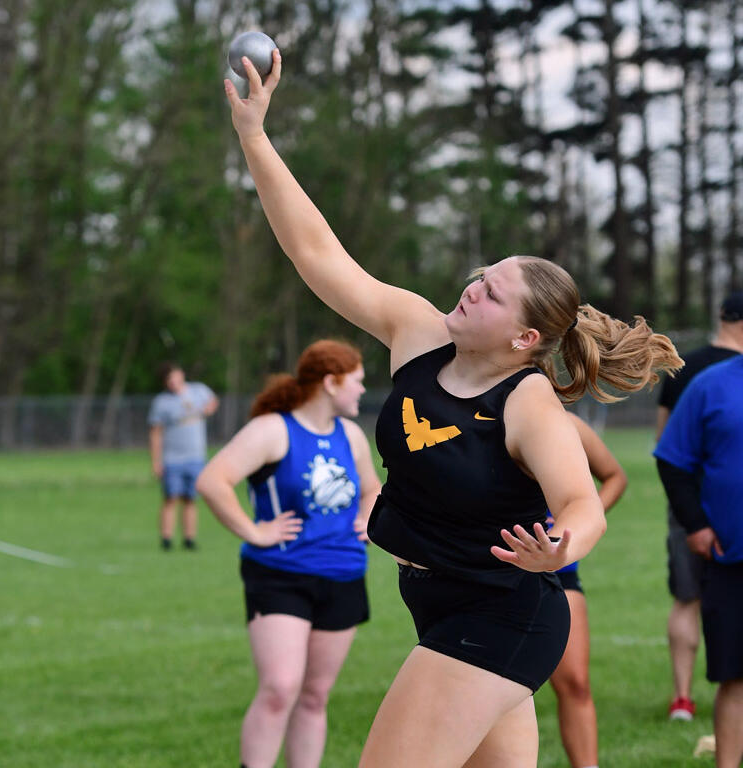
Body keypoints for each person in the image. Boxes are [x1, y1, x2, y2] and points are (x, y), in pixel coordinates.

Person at [222, 52, 682, 767]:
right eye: (483, 276)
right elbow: (319, 255)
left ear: (525, 338)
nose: (474, 289)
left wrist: (565, 546)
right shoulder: (418, 332)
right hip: (442, 604)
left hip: (500, 616)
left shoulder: (528, 402)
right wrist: (254, 138)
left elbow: (580, 502)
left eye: (494, 294)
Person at [196, 339, 381, 768]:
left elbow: (373, 488)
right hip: (280, 574)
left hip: (344, 574)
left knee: (315, 696)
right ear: (331, 383)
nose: (361, 391)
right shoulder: (273, 430)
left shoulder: (350, 434)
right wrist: (254, 531)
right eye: (357, 382)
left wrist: (368, 519)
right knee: (280, 688)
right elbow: (213, 480)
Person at [654, 291, 743, 720]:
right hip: (707, 510)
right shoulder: (715, 377)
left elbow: (662, 437)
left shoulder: (684, 367)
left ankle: (682, 697)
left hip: (690, 507)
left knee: (687, 598)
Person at [548, 413, 627, 768]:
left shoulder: (562, 422)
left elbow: (614, 477)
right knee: (497, 694)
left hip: (557, 571)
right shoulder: (478, 415)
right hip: (488, 573)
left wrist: (578, 521)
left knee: (575, 684)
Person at [148, 362, 218, 550]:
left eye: (175, 376)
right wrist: (156, 461)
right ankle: (166, 539)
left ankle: (189, 539)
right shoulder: (161, 402)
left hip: (196, 457)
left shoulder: (198, 391)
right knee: (171, 498)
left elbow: (213, 401)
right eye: (168, 379)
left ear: (182, 374)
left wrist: (208, 409)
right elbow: (156, 433)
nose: (173, 382)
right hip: (172, 459)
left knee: (190, 499)